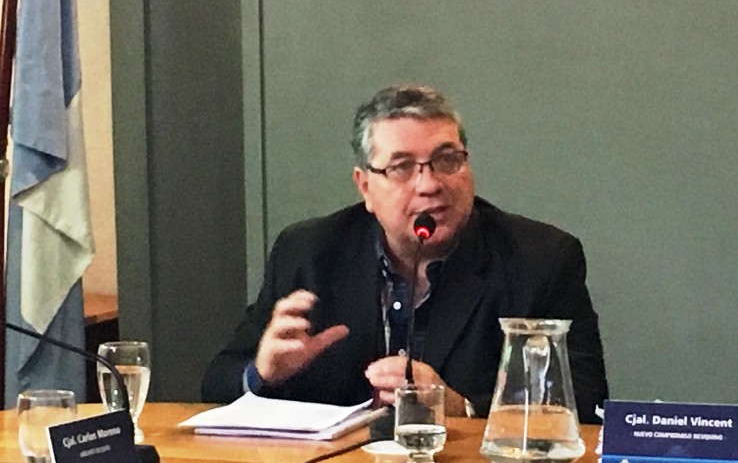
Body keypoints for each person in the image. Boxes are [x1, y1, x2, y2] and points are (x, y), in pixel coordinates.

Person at [201, 84, 608, 422]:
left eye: (447, 160)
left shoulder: (540, 260)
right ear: (365, 186)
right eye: (402, 167)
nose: (429, 184)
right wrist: (263, 375)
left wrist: (462, 408)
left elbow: (585, 403)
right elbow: (217, 383)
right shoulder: (309, 252)